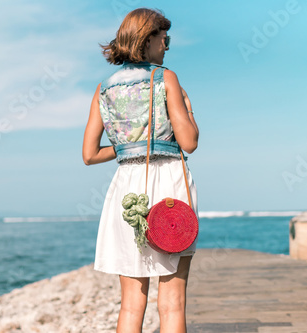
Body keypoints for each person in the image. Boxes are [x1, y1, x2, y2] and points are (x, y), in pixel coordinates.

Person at [82, 8, 199, 333]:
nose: (167, 47)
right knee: (172, 299)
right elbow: (188, 141)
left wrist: (126, 148)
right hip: (169, 182)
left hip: (127, 190)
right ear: (148, 39)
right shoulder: (165, 78)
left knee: (132, 302)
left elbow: (89, 155)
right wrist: (189, 109)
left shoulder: (104, 89)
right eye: (165, 39)